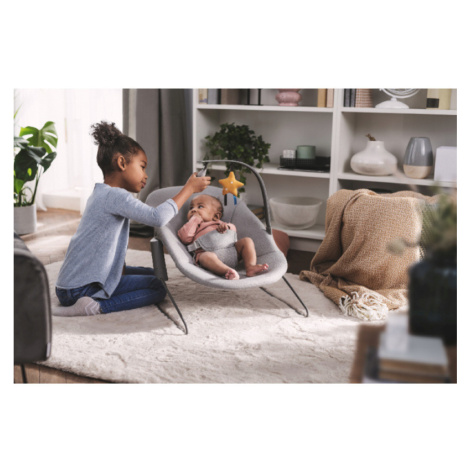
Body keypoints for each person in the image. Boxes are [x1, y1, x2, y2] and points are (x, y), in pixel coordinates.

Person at [54, 121, 210, 317]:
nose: (146, 176)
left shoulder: (100, 194)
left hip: (67, 286)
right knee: (157, 286)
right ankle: (95, 306)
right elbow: (158, 217)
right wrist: (189, 189)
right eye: (142, 167)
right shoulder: (116, 196)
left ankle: (97, 293)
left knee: (155, 273)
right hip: (81, 289)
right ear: (122, 163)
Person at [177, 194, 268, 280]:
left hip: (231, 252)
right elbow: (185, 238)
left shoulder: (220, 224)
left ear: (216, 216)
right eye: (191, 208)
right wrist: (194, 220)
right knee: (205, 257)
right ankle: (227, 271)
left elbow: (233, 232)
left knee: (247, 241)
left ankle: (250, 267)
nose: (193, 210)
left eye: (200, 207)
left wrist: (227, 228)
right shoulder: (193, 227)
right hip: (209, 255)